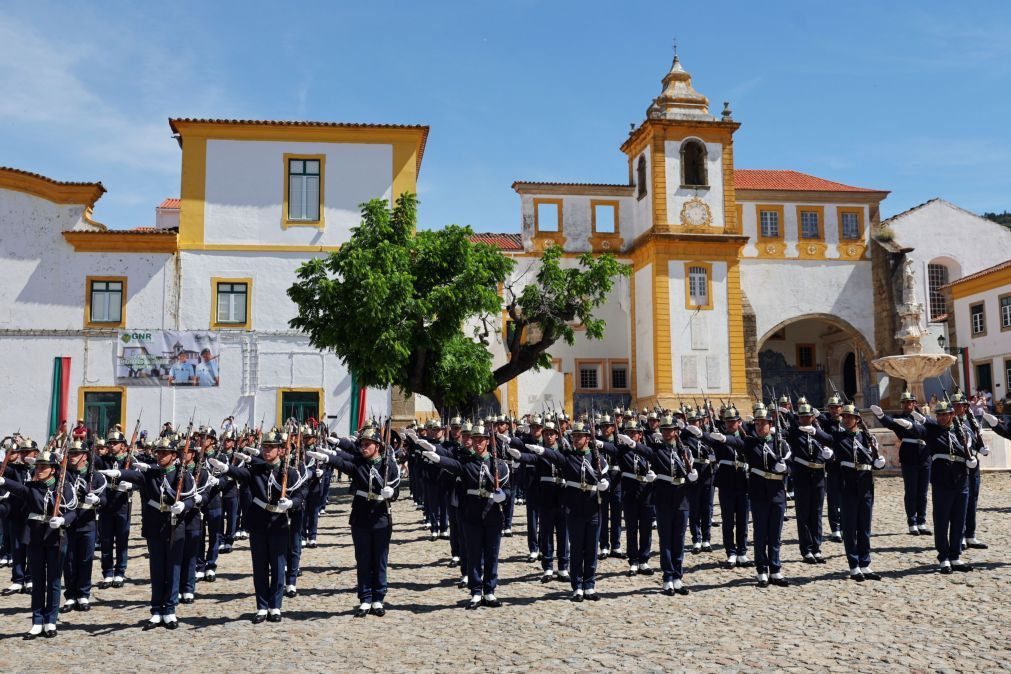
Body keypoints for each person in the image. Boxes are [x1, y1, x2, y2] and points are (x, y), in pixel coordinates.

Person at [99, 436, 196, 629]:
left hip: (175, 527)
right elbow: (135, 476)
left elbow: (192, 499)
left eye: (165, 453)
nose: (160, 456)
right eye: (158, 452)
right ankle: (156, 610)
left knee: (173, 569)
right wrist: (118, 473)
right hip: (155, 527)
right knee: (157, 569)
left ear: (174, 456)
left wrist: (183, 505)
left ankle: (170, 609)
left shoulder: (182, 475)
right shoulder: (151, 474)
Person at [206, 430, 301, 624]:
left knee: (277, 566)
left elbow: (300, 495)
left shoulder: (289, 472)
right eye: (264, 447)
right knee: (259, 568)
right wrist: (226, 468)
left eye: (271, 448)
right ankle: (261, 606)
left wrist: (291, 504)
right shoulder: (257, 469)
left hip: (279, 523)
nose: (266, 451)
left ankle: (275, 606)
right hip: (259, 523)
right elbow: (242, 473)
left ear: (281, 451)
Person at [510, 420, 611, 602]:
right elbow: (554, 457)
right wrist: (539, 450)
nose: (576, 439)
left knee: (590, 549)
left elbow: (606, 476)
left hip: (593, 509)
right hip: (574, 509)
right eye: (574, 436)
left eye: (580, 436)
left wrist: (606, 483)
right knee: (576, 549)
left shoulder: (598, 459)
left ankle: (589, 585)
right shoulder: (568, 457)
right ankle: (577, 586)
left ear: (588, 439)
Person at [309, 425, 400, 616]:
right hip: (360, 517)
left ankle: (378, 598)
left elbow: (395, 487)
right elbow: (344, 464)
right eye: (362, 444)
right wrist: (328, 458)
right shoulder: (359, 464)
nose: (363, 447)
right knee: (363, 559)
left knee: (380, 560)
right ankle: (365, 598)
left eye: (367, 444)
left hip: (381, 517)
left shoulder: (388, 465)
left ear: (377, 446)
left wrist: (391, 493)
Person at [421, 423, 508, 610]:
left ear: (487, 442)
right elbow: (453, 465)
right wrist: (438, 459)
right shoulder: (467, 463)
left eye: (480, 440)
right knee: (474, 554)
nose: (477, 443)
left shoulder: (498, 465)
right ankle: (476, 591)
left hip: (492, 515)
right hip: (472, 514)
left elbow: (507, 488)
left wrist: (504, 496)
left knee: (492, 555)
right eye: (474, 440)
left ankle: (490, 591)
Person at [1, 450, 78, 639]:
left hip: (56, 539)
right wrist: (3, 482)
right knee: (37, 582)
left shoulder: (64, 487)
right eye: (37, 466)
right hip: (35, 539)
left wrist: (63, 520)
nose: (39, 470)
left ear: (53, 469)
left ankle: (51, 620)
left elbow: (73, 511)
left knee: (53, 582)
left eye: (43, 467)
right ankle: (37, 620)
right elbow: (20, 489)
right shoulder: (32, 487)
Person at [719, 404, 791, 588]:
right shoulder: (750, 443)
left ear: (770, 424)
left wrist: (785, 469)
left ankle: (775, 569)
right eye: (757, 424)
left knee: (775, 535)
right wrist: (721, 438)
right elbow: (736, 442)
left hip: (777, 495)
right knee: (760, 535)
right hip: (759, 494)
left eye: (763, 423)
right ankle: (761, 571)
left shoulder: (780, 443)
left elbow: (791, 465)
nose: (760, 427)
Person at [632, 415, 693, 595]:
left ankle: (678, 577)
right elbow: (643, 450)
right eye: (664, 430)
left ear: (676, 432)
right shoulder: (657, 450)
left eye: (670, 430)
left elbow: (689, 475)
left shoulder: (686, 451)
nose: (667, 432)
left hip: (682, 500)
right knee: (666, 539)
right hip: (663, 499)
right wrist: (632, 444)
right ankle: (667, 577)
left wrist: (693, 477)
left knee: (679, 540)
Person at [831, 404, 886, 581]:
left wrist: (880, 462)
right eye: (844, 417)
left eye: (850, 417)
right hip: (847, 486)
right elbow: (823, 437)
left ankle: (865, 563)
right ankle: (853, 565)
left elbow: (875, 458)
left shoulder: (867, 438)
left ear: (857, 420)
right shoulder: (838, 437)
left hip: (865, 486)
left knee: (864, 527)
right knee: (849, 527)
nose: (846, 420)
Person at [875, 392, 931, 535]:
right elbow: (890, 423)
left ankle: (922, 521)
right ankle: (912, 522)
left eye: (909, 402)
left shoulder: (923, 418)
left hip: (924, 456)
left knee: (923, 493)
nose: (907, 405)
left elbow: (930, 430)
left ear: (914, 403)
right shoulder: (900, 418)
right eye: (904, 403)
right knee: (911, 491)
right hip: (909, 456)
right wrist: (881, 416)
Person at [62, 440, 107, 613]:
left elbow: (104, 499)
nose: (72, 457)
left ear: (85, 456)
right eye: (70, 454)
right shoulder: (65, 474)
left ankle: (83, 594)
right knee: (69, 561)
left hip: (87, 522)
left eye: (75, 454)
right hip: (69, 523)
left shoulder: (95, 476)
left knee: (85, 560)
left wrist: (96, 500)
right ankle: (70, 595)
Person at [785, 402, 834, 564]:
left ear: (813, 417)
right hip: (802, 475)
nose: (805, 420)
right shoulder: (794, 432)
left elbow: (831, 441)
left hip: (819, 475)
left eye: (807, 417)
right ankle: (806, 549)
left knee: (817, 513)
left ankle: (816, 547)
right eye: (802, 417)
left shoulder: (819, 432)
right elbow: (785, 436)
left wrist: (830, 455)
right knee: (804, 513)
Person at [705, 407, 752, 569]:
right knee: (728, 521)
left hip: (743, 482)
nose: (731, 424)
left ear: (740, 422)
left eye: (733, 421)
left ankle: (742, 552)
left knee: (743, 520)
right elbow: (707, 439)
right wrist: (700, 433)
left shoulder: (747, 437)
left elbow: (744, 446)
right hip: (726, 482)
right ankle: (731, 552)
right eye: (728, 422)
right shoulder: (719, 438)